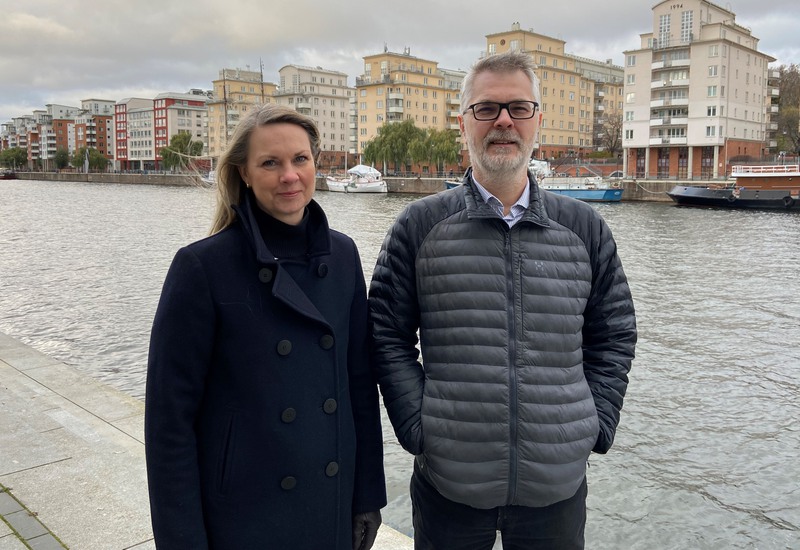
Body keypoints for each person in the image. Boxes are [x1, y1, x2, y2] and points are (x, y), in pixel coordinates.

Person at [369, 50, 637, 549]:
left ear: (538, 119)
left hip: (555, 484)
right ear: (463, 123)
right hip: (450, 482)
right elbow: (386, 333)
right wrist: (417, 425)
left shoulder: (584, 228)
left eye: (519, 107)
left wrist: (594, 423)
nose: (504, 121)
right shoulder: (419, 226)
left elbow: (615, 334)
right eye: (487, 109)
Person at [145, 104, 386, 549]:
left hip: (328, 505)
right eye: (270, 163)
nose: (289, 176)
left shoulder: (344, 256)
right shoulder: (202, 267)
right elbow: (169, 425)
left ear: (317, 163)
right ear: (245, 173)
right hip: (243, 517)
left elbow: (358, 385)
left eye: (300, 159)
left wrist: (367, 496)